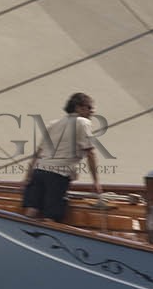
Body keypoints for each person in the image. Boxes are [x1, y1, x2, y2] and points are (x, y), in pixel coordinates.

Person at [21, 92, 102, 223]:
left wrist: (27, 177)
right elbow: (90, 153)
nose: (92, 111)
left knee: (32, 209)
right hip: (57, 175)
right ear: (78, 107)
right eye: (89, 107)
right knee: (51, 216)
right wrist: (96, 182)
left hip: (39, 171)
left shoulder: (53, 124)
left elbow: (38, 153)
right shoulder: (82, 122)